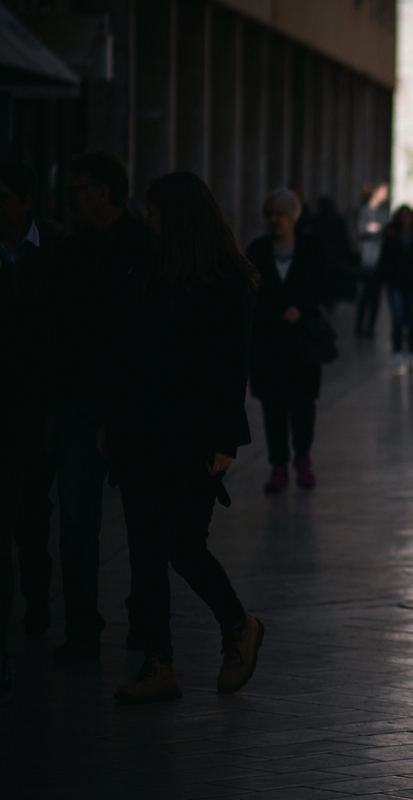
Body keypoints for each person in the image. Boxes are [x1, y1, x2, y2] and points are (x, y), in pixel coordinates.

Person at [106, 172, 264, 704]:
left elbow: (232, 366)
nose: (148, 223)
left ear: (177, 218)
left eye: (154, 214)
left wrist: (224, 440)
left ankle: (238, 624)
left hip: (194, 436)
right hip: (140, 430)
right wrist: (112, 423)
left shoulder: (224, 278)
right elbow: (125, 354)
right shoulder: (146, 270)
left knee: (182, 545)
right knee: (145, 551)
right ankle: (159, 665)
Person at [53, 152, 156, 664]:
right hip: (79, 404)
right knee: (76, 522)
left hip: (132, 408)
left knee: (143, 522)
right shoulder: (70, 252)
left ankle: (145, 620)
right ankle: (81, 628)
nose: (69, 198)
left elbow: (146, 339)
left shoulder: (145, 248)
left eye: (77, 188)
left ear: (104, 192)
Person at [0, 160, 58, 697]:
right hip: (5, 408)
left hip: (37, 410)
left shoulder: (52, 251)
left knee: (34, 521)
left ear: (25, 202)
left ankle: (38, 601)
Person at [246, 189, 330, 494]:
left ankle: (303, 458)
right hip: (269, 339)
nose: (274, 219)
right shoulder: (258, 249)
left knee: (303, 404)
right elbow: (249, 289)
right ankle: (278, 465)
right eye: (270, 214)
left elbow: (324, 285)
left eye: (280, 214)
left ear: (292, 217)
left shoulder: (310, 248)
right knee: (273, 406)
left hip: (302, 341)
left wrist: (302, 308)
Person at [377, 205, 413, 372]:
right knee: (398, 318)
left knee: (411, 318)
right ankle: (398, 352)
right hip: (396, 283)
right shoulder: (392, 236)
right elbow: (385, 259)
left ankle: (411, 353)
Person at [354, 182, 390, 338]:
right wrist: (374, 228)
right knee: (363, 295)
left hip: (380, 260)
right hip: (366, 259)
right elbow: (362, 229)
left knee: (375, 297)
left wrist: (374, 228)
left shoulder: (383, 212)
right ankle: (359, 326)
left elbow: (385, 229)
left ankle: (370, 328)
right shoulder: (364, 210)